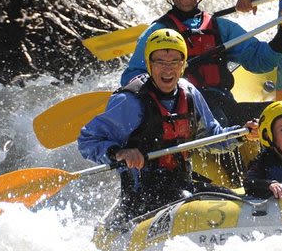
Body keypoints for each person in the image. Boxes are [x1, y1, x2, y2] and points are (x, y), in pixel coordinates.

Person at [79, 29, 259, 225]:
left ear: (183, 65)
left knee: (239, 204)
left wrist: (242, 134)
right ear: (149, 64)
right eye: (160, 62)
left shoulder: (189, 92)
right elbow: (88, 140)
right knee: (184, 199)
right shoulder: (130, 101)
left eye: (174, 61)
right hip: (142, 195)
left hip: (182, 182)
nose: (167, 69)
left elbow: (214, 136)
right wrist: (119, 153)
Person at [121, 0, 282, 126]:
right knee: (218, 120)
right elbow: (132, 78)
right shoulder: (157, 33)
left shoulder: (220, 27)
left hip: (222, 100)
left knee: (281, 116)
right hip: (184, 108)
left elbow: (261, 61)